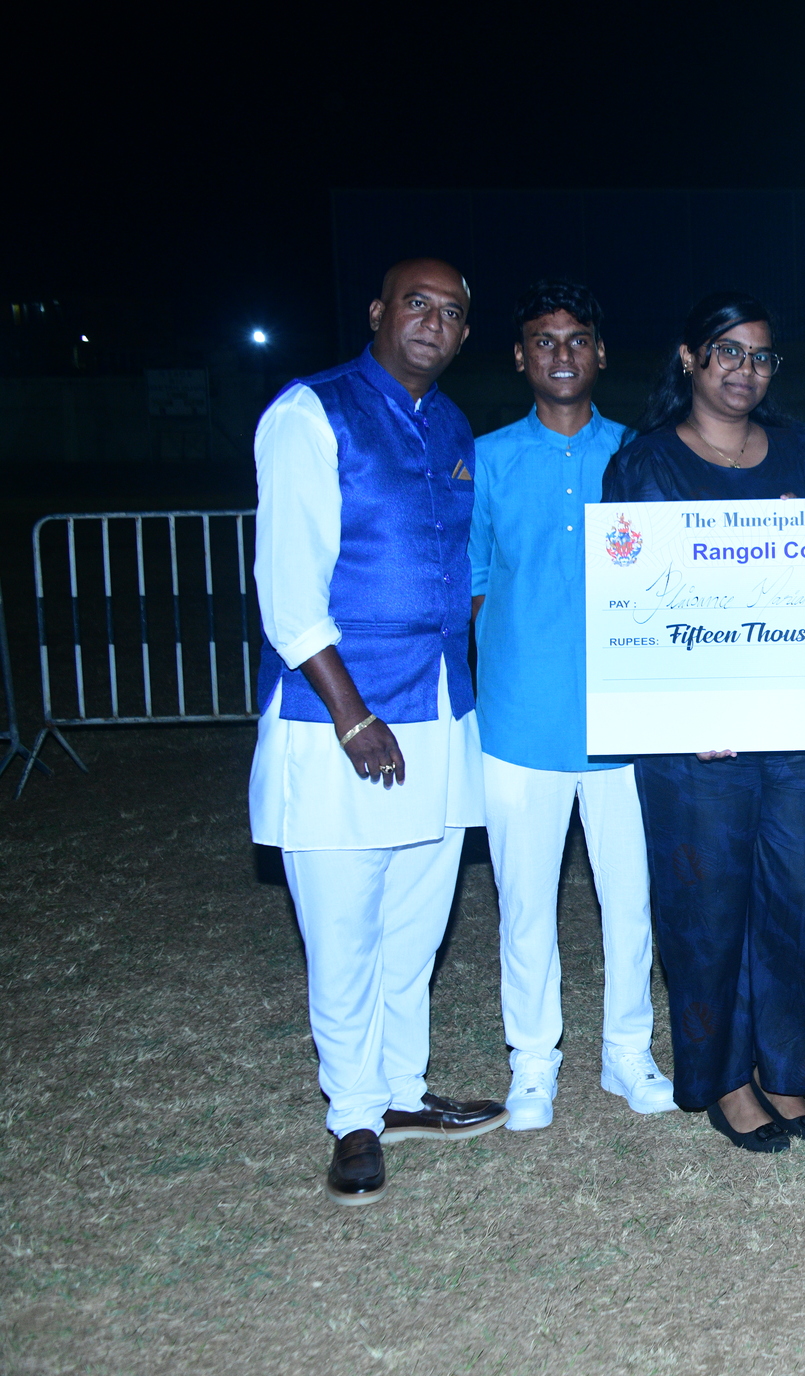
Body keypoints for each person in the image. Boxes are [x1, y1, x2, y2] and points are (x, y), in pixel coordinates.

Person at [250, 258, 507, 1206]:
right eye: (416, 304)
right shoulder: (310, 413)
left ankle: (402, 1088)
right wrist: (351, 712)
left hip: (439, 709)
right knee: (344, 927)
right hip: (341, 720)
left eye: (452, 311)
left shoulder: (452, 425)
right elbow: (288, 587)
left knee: (417, 923)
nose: (433, 322)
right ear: (377, 312)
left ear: (466, 333)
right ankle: (353, 1116)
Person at [604, 292, 805, 1153]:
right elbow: (627, 605)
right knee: (707, 906)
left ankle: (786, 1073)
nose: (746, 370)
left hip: (796, 721)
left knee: (804, 899)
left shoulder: (804, 452)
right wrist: (678, 707)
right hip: (696, 738)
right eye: (728, 351)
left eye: (761, 356)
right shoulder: (644, 466)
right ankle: (727, 1080)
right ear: (690, 358)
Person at [469, 280, 673, 1132]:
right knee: (525, 907)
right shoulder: (485, 459)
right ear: (520, 356)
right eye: (544, 341)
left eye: (577, 339)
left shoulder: (641, 454)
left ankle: (628, 1051)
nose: (562, 354)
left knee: (630, 902)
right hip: (519, 722)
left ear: (601, 352)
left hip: (624, 726)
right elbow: (475, 584)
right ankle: (532, 1062)